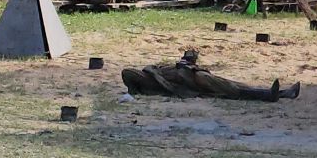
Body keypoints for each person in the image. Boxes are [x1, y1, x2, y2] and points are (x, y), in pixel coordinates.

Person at [122, 49, 300, 102]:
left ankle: (282, 93)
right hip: (192, 81)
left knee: (233, 86)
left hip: (194, 76)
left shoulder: (156, 71)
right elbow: (127, 73)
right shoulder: (153, 81)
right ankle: (270, 95)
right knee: (232, 90)